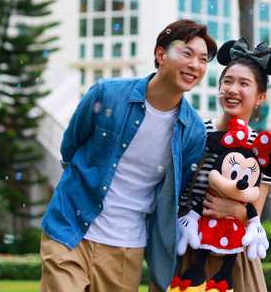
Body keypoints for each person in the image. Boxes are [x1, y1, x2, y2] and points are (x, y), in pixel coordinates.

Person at [39, 19, 217, 292]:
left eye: (203, 59)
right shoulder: (107, 94)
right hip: (70, 228)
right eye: (187, 53)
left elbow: (175, 191)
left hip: (126, 247)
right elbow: (70, 147)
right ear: (161, 55)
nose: (195, 65)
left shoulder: (193, 131)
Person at [150, 38, 271, 292]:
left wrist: (232, 209)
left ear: (260, 97)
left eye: (244, 84)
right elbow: (173, 192)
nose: (232, 89)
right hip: (188, 249)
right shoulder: (196, 132)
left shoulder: (263, 147)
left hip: (234, 259)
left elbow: (254, 214)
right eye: (227, 81)